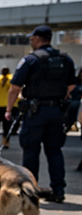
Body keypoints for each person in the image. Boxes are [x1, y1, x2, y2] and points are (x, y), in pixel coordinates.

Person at [6, 25, 77, 203]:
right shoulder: (65, 58)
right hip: (57, 111)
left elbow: (15, 87)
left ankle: (30, 191)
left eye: (32, 39)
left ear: (38, 39)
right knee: (54, 151)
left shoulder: (31, 60)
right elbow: (72, 85)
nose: (31, 41)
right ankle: (58, 190)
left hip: (35, 112)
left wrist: (9, 109)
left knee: (31, 151)